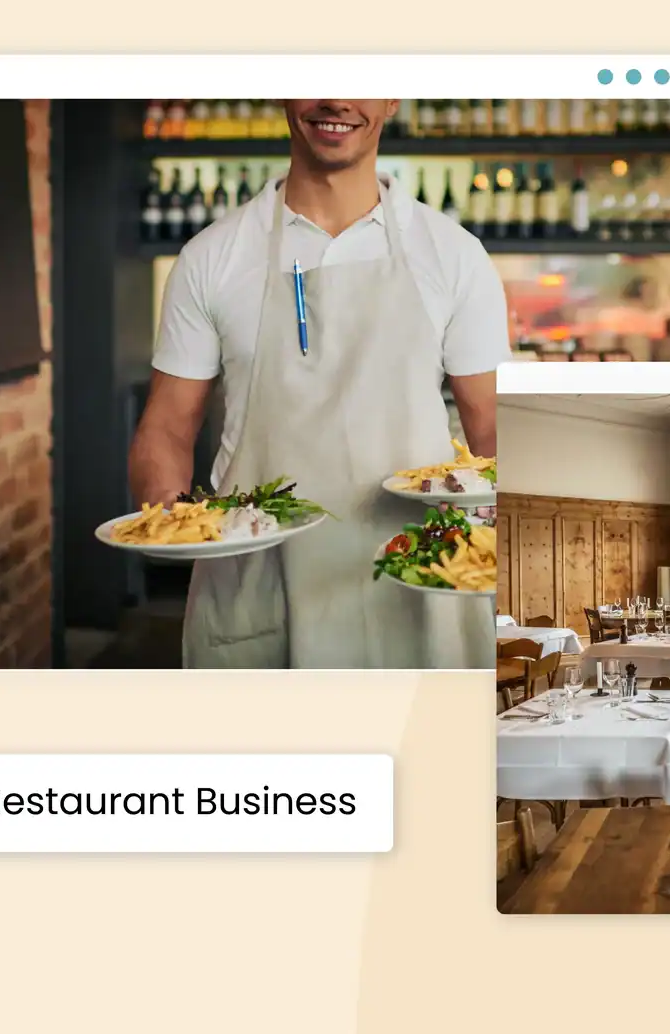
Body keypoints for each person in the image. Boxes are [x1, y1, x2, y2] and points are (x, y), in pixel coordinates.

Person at [130, 98, 507, 668]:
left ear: (392, 98)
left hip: (420, 582)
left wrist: (497, 539)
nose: (337, 99)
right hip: (259, 583)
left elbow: (493, 427)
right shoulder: (211, 257)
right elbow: (166, 428)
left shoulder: (454, 255)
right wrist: (173, 523)